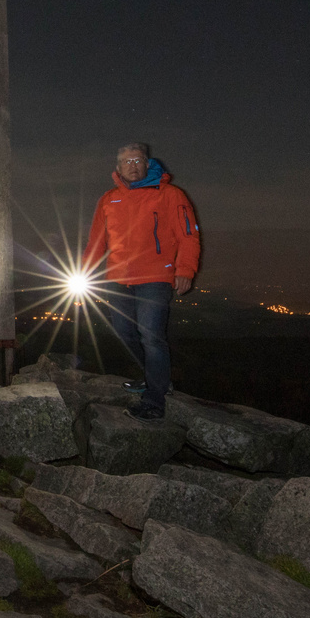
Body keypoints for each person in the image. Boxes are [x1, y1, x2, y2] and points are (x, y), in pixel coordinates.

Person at [81, 142, 201, 422]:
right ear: (117, 168)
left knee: (151, 336)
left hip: (155, 277)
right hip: (118, 278)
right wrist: (85, 269)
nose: (132, 165)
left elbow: (188, 235)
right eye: (126, 161)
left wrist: (185, 269)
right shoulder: (109, 199)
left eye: (137, 160)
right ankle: (151, 378)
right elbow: (97, 241)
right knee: (125, 334)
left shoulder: (171, 195)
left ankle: (155, 400)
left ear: (148, 164)